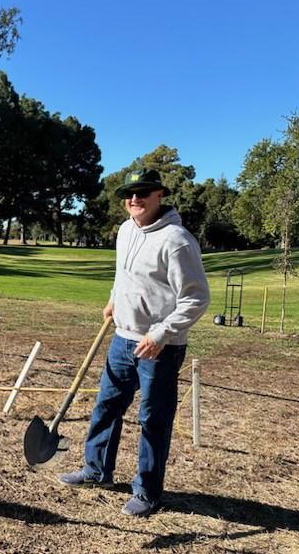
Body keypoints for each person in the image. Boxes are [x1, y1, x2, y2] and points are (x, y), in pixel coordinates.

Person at [58, 167, 210, 517]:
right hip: (122, 338)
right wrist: (115, 298)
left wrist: (160, 334)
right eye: (129, 194)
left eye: (143, 192)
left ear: (160, 195)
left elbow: (196, 298)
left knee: (152, 418)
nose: (134, 199)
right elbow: (123, 274)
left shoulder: (177, 240)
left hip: (159, 347)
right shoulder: (125, 230)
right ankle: (97, 472)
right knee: (106, 406)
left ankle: (146, 491)